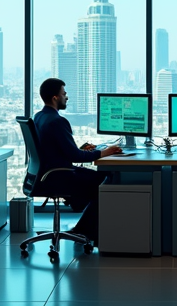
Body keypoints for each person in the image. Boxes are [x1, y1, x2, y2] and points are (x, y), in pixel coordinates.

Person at [33, 78, 120, 241]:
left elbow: (54, 149)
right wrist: (104, 152)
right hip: (58, 176)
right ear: (55, 98)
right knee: (106, 181)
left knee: (95, 180)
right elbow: (75, 157)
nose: (67, 97)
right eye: (64, 94)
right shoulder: (58, 121)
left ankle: (82, 225)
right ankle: (85, 231)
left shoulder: (39, 117)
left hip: (46, 174)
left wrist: (78, 149)